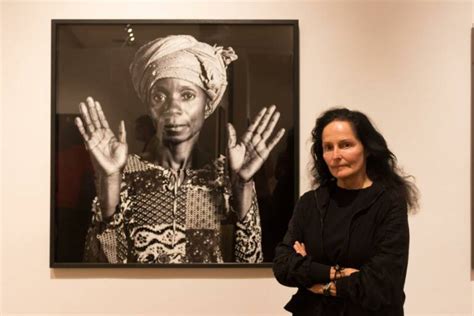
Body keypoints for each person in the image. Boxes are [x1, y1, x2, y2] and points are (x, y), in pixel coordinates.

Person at [75, 35, 285, 264]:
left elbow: (249, 264)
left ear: (207, 105)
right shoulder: (125, 173)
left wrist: (243, 186)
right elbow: (101, 266)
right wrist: (111, 180)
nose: (172, 109)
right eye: (159, 96)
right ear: (149, 105)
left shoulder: (226, 176)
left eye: (187, 95)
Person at [273, 108, 418, 315]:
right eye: (328, 147)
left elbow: (382, 283)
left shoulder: (389, 202)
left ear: (366, 148)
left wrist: (315, 280)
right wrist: (336, 273)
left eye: (345, 145)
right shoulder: (310, 203)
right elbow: (283, 265)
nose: (336, 155)